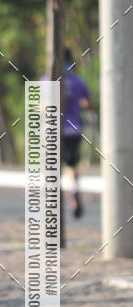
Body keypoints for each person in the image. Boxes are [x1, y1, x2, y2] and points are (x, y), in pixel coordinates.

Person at [62, 47, 92, 218]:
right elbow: (87, 103)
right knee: (71, 167)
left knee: (54, 168)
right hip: (74, 130)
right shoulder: (77, 81)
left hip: (54, 131)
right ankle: (74, 192)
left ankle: (54, 202)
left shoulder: (47, 80)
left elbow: (40, 106)